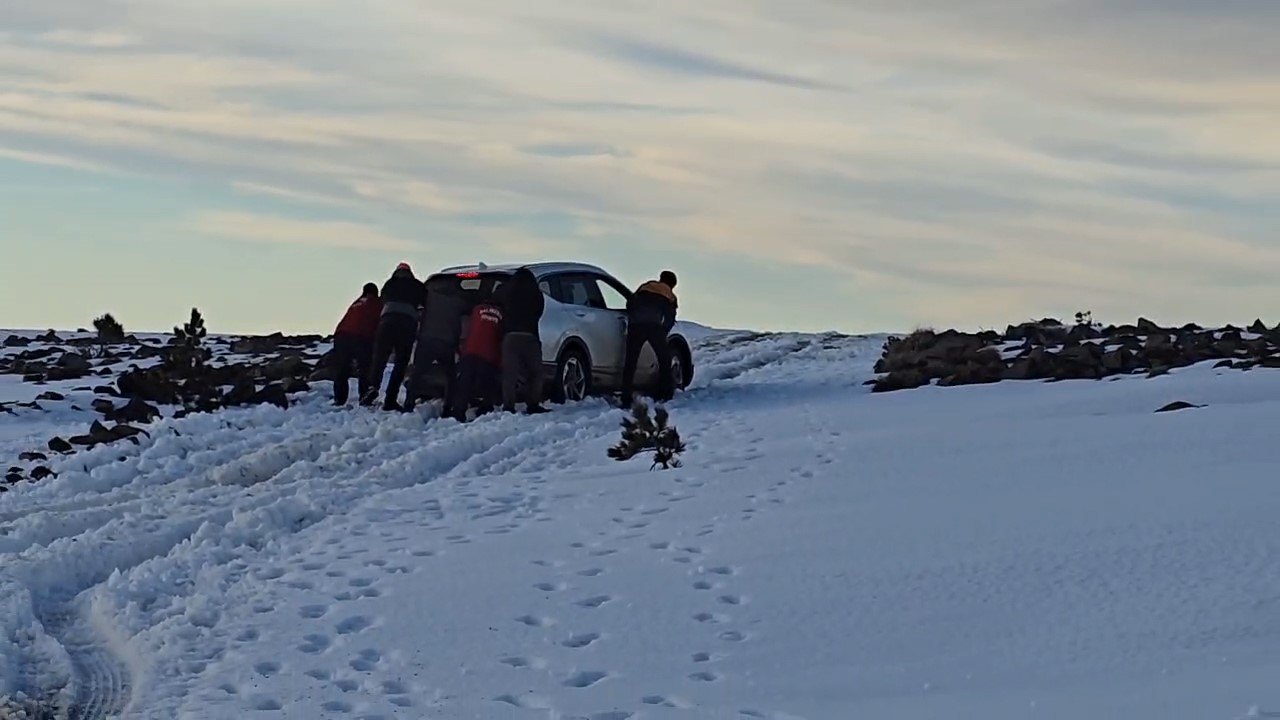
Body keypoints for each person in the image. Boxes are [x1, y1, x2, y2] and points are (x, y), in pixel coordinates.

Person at [362, 262, 426, 411]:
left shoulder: (389, 284)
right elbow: (425, 304)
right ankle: (390, 399)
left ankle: (372, 387)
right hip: (407, 323)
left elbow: (382, 300)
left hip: (386, 322)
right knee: (401, 362)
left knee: (380, 357)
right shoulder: (417, 285)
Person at [404, 281, 466, 413]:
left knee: (418, 373)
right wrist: (457, 344)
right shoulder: (458, 301)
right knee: (450, 376)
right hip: (447, 342)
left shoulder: (429, 295)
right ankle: (448, 407)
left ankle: (408, 403)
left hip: (427, 339)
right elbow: (457, 325)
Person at [620, 270, 679, 407]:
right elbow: (670, 317)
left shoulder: (645, 286)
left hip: (635, 325)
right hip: (654, 326)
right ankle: (664, 394)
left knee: (630, 362)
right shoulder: (670, 295)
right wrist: (662, 331)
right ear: (672, 284)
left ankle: (626, 397)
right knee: (664, 359)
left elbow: (630, 304)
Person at [494, 267, 547, 414]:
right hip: (530, 336)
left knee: (509, 374)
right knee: (535, 373)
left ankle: (509, 406)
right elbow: (539, 312)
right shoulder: (536, 294)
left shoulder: (506, 291)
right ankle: (533, 404)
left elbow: (495, 301)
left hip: (510, 337)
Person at [450, 293, 504, 421]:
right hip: (488, 353)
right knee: (488, 382)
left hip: (470, 350)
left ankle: (458, 410)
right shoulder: (501, 314)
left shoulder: (476, 310)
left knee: (465, 382)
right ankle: (485, 408)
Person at [330, 282, 382, 406]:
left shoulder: (356, 303)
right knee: (365, 368)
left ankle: (339, 399)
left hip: (341, 335)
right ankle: (364, 396)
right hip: (361, 337)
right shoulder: (377, 303)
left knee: (342, 369)